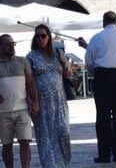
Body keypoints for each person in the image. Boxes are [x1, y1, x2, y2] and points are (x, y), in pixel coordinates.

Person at [82, 11, 116, 164]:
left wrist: (97, 73)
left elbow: (89, 61)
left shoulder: (97, 38)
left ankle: (104, 154)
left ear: (104, 21)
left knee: (103, 116)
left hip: (103, 76)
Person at [0, 33, 39, 168]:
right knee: (7, 144)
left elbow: (30, 82)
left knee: (25, 141)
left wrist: (35, 102)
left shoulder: (22, 61)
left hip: (22, 109)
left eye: (12, 44)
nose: (12, 47)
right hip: (2, 111)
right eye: (8, 44)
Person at [26, 24, 71, 167]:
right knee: (46, 136)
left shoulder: (58, 54)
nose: (40, 39)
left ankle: (63, 163)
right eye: (37, 36)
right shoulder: (31, 57)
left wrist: (65, 64)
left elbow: (68, 74)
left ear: (49, 37)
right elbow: (29, 81)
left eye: (43, 36)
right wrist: (33, 102)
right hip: (42, 101)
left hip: (59, 101)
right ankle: (50, 165)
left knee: (63, 132)